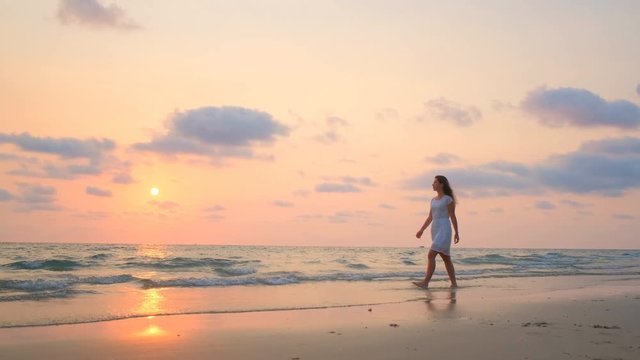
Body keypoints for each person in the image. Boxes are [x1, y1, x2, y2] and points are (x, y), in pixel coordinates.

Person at [413, 175, 460, 289]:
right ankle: (454, 284)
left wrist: (456, 232)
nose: (432, 184)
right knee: (446, 258)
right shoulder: (433, 200)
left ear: (441, 184)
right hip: (435, 228)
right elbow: (430, 217)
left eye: (435, 182)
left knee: (431, 254)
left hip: (444, 228)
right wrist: (421, 230)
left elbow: (453, 217)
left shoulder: (448, 199)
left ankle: (425, 282)